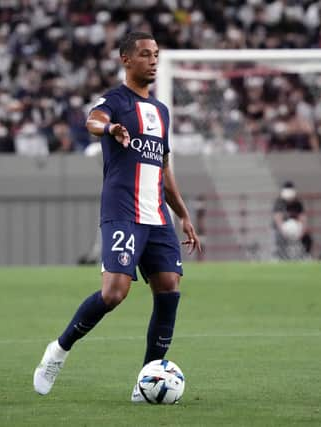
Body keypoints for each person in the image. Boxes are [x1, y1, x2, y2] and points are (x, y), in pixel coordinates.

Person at [33, 32, 202, 402]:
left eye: (156, 54)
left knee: (169, 287)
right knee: (114, 293)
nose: (153, 60)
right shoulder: (115, 101)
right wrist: (109, 128)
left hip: (156, 215)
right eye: (145, 54)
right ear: (127, 60)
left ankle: (148, 382)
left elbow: (164, 168)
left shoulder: (162, 111)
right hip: (122, 212)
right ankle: (58, 351)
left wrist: (184, 215)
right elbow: (92, 120)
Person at [272, 181, 312, 260]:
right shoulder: (279, 203)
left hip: (297, 228)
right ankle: (280, 257)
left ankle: (305, 256)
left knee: (308, 239)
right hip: (282, 229)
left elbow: (303, 218)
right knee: (279, 239)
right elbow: (278, 219)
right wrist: (283, 231)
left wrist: (302, 232)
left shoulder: (298, 204)